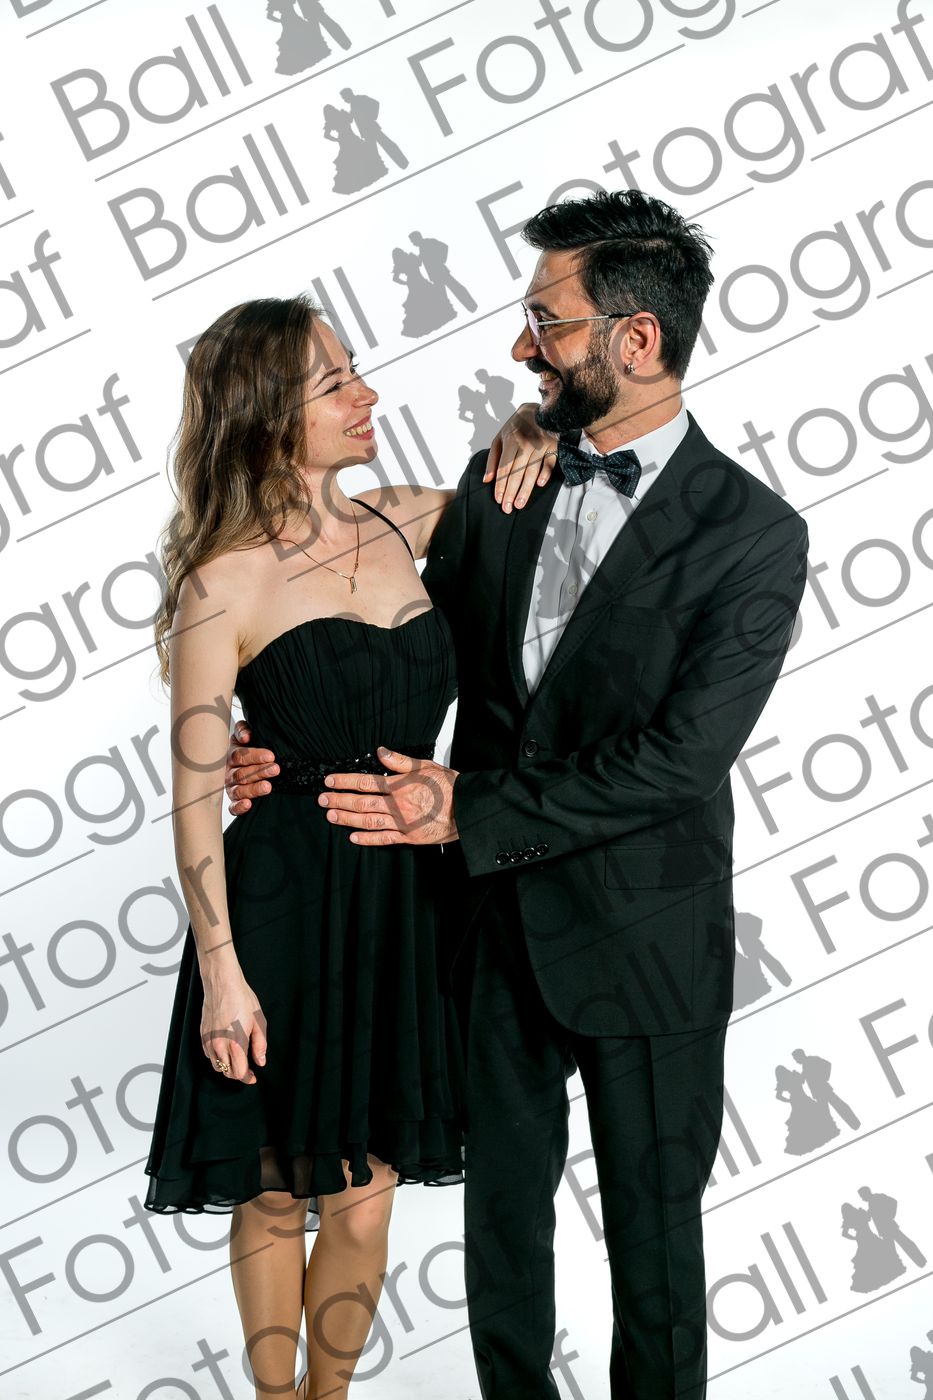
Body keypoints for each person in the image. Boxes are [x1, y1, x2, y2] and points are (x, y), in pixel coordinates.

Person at [226, 189, 809, 1398]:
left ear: (634, 339)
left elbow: (682, 759)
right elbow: (392, 643)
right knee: (500, 1236)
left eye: (546, 323)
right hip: (487, 931)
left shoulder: (754, 532)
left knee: (654, 1240)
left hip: (649, 939)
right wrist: (271, 733)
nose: (518, 346)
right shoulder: (503, 480)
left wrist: (470, 808)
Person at [143, 293, 551, 1400]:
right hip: (281, 901)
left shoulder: (404, 519)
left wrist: (525, 423)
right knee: (279, 1189)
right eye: (335, 383)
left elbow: (526, 473)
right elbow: (193, 796)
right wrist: (222, 974)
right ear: (269, 414)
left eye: (354, 370)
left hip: (406, 900)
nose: (367, 394)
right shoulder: (222, 580)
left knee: (367, 1197)